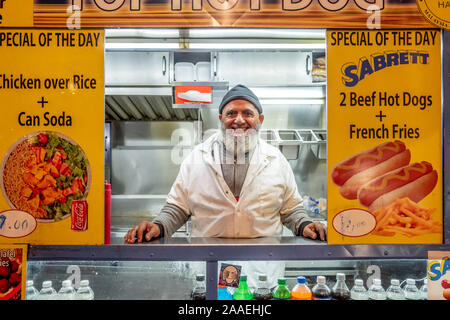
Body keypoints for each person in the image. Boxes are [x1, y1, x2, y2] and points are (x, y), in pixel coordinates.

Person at [124, 84, 327, 243]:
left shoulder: (276, 160)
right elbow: (178, 208)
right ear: (221, 119)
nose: (239, 120)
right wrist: (158, 225)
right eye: (231, 113)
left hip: (262, 271)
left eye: (248, 113)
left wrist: (304, 224)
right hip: (209, 266)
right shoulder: (197, 158)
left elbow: (291, 210)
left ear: (260, 119)